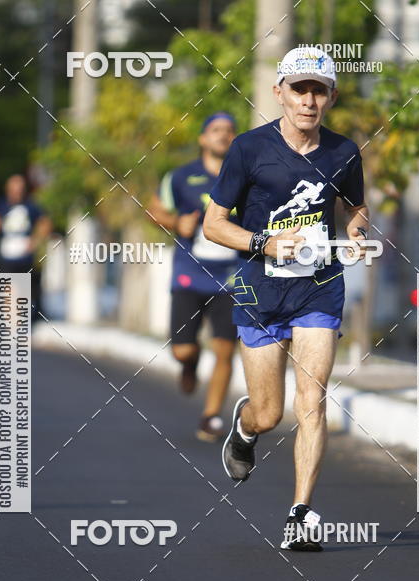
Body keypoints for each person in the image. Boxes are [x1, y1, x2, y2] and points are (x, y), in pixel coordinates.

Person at [203, 47, 371, 551]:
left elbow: (356, 207)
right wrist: (265, 242)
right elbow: (214, 225)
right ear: (280, 93)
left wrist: (358, 232)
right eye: (299, 89)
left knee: (312, 402)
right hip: (260, 288)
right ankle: (246, 426)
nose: (309, 100)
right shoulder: (249, 149)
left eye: (319, 90)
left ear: (331, 97)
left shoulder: (344, 152)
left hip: (319, 286)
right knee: (271, 412)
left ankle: (300, 513)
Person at [147, 113, 239, 443]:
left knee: (226, 351)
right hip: (189, 275)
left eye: (229, 131)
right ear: (202, 138)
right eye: (215, 130)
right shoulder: (181, 176)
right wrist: (175, 223)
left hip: (232, 277)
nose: (223, 135)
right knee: (183, 351)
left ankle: (211, 416)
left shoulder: (246, 176)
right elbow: (154, 208)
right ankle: (190, 363)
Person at [0, 174, 52, 321]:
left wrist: (35, 241)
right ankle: (11, 326)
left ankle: (19, 325)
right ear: (8, 190)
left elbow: (44, 223)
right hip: (6, 255)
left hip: (25, 257)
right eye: (14, 189)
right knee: (8, 291)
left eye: (20, 189)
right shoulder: (1, 205)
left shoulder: (31, 205)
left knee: (22, 292)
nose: (17, 192)